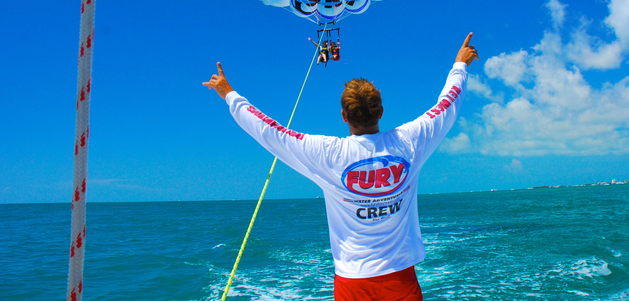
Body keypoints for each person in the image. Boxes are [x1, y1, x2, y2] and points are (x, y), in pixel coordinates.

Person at [203, 33, 478, 301]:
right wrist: (460, 65)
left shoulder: (327, 154)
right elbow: (448, 103)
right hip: (400, 277)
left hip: (352, 281)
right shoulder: (410, 142)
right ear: (381, 111)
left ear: (344, 115)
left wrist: (228, 93)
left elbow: (269, 131)